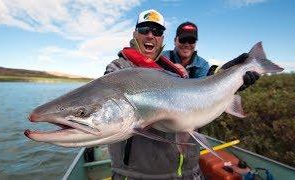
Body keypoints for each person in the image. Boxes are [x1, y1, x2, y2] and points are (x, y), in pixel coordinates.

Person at [104, 10, 259, 180]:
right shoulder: (119, 67)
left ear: (162, 38)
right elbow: (110, 83)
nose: (150, 35)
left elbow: (205, 85)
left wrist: (229, 78)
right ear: (135, 33)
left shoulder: (179, 69)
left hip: (185, 170)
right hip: (134, 173)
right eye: (144, 29)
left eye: (157, 31)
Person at [163, 21, 259, 90]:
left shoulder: (203, 64)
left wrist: (232, 82)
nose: (187, 44)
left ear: (195, 43)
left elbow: (205, 90)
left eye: (191, 40)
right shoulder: (162, 57)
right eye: (183, 40)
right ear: (175, 41)